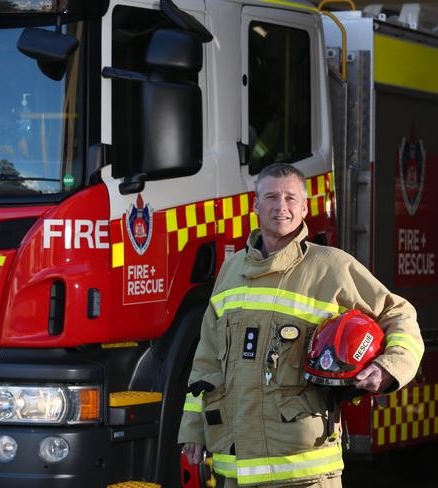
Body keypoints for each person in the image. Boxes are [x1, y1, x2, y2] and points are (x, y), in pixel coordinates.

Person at [178, 163, 424, 487]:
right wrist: (193, 428)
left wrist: (389, 366)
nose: (281, 207)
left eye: (291, 198)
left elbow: (399, 313)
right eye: (271, 197)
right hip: (234, 469)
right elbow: (206, 359)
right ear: (255, 205)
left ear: (305, 207)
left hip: (303, 472)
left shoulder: (331, 266)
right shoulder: (231, 270)